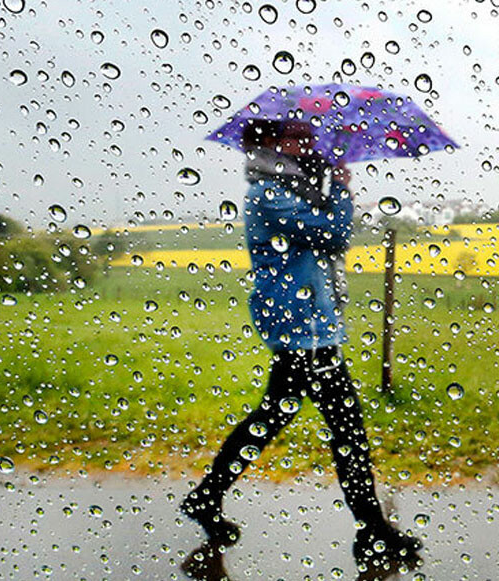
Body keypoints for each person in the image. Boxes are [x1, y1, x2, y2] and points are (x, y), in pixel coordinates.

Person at [179, 119, 422, 574]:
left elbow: (320, 238)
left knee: (274, 415)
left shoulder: (290, 187)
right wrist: (344, 189)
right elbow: (332, 235)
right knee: (346, 428)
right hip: (300, 325)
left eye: (310, 138)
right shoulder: (269, 194)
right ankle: (373, 529)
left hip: (307, 321)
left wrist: (328, 182)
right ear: (271, 144)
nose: (310, 146)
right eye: (299, 139)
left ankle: (206, 497)